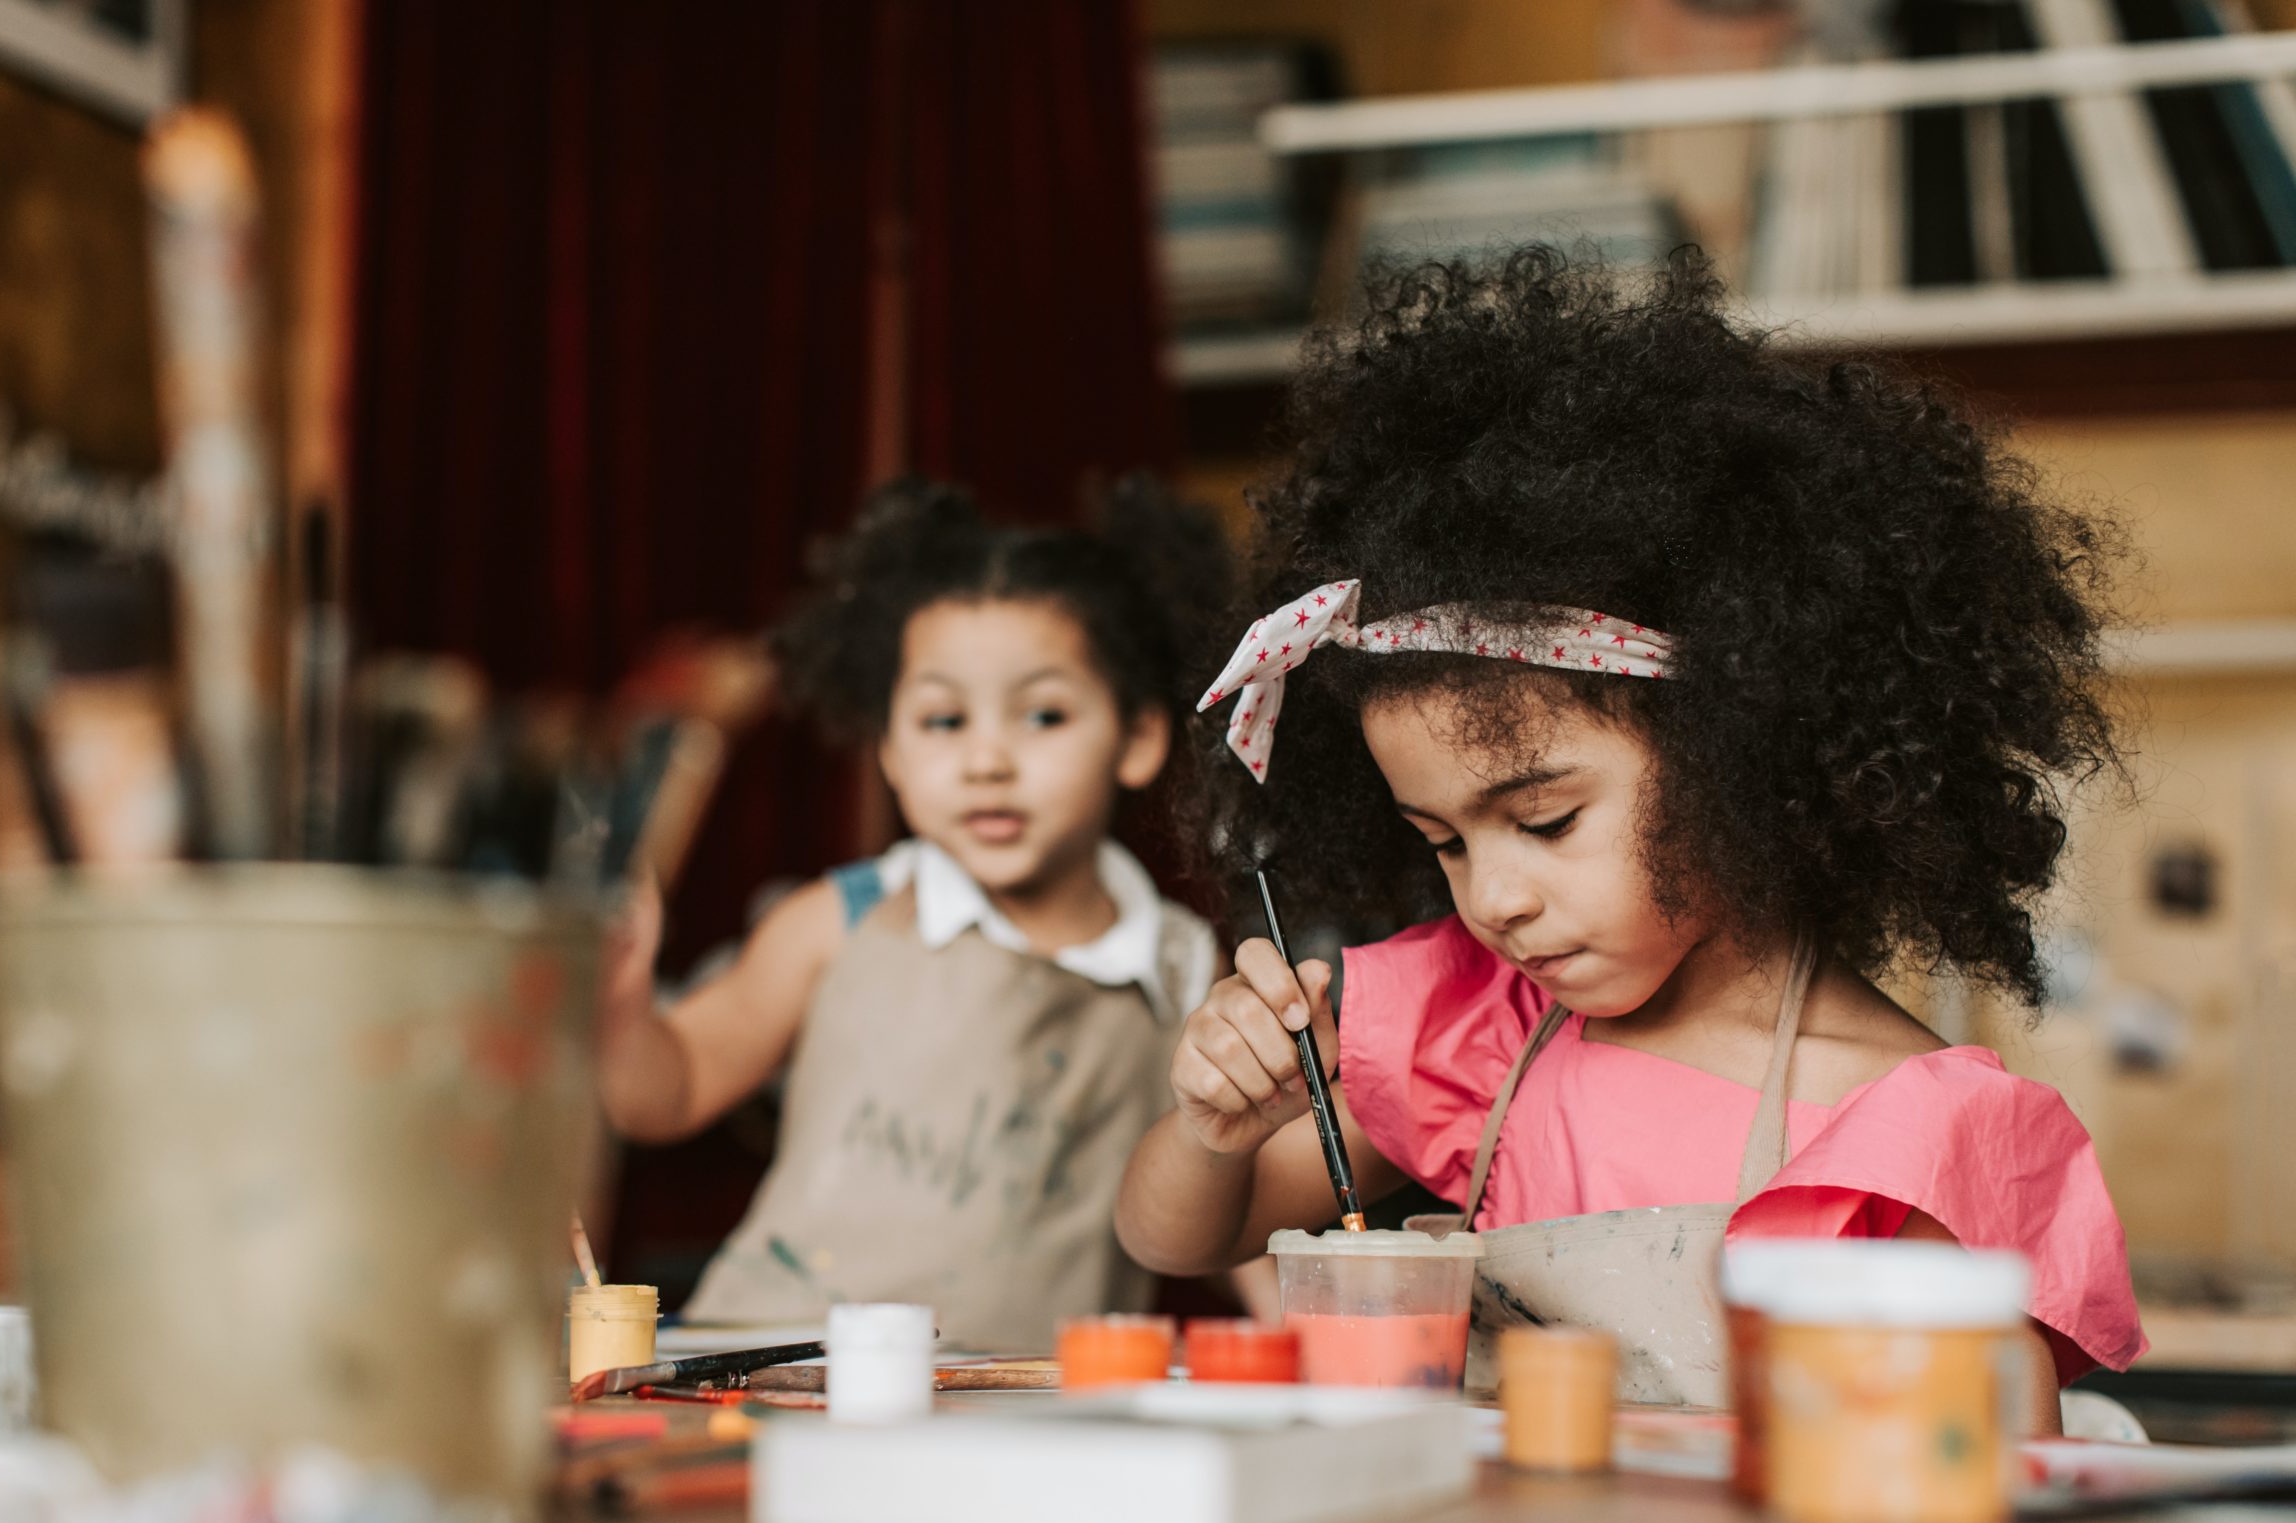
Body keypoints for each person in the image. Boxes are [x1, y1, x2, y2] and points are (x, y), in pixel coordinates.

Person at [1115, 249, 2145, 1427]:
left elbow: (1986, 1488)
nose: (1492, 896)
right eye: (1442, 841)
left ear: (1737, 756)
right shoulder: (1488, 1034)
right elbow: (1176, 1232)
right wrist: (1210, 1129)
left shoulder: (1904, 1129)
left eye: (1545, 820)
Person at [599, 476, 1220, 1350]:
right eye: (943, 720)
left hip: (1019, 1422)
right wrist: (620, 1005)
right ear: (889, 748)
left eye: (1043, 713)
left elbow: (1227, 1206)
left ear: (1139, 738)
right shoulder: (837, 919)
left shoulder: (1181, 967)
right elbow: (668, 1092)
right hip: (765, 1375)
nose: (986, 759)